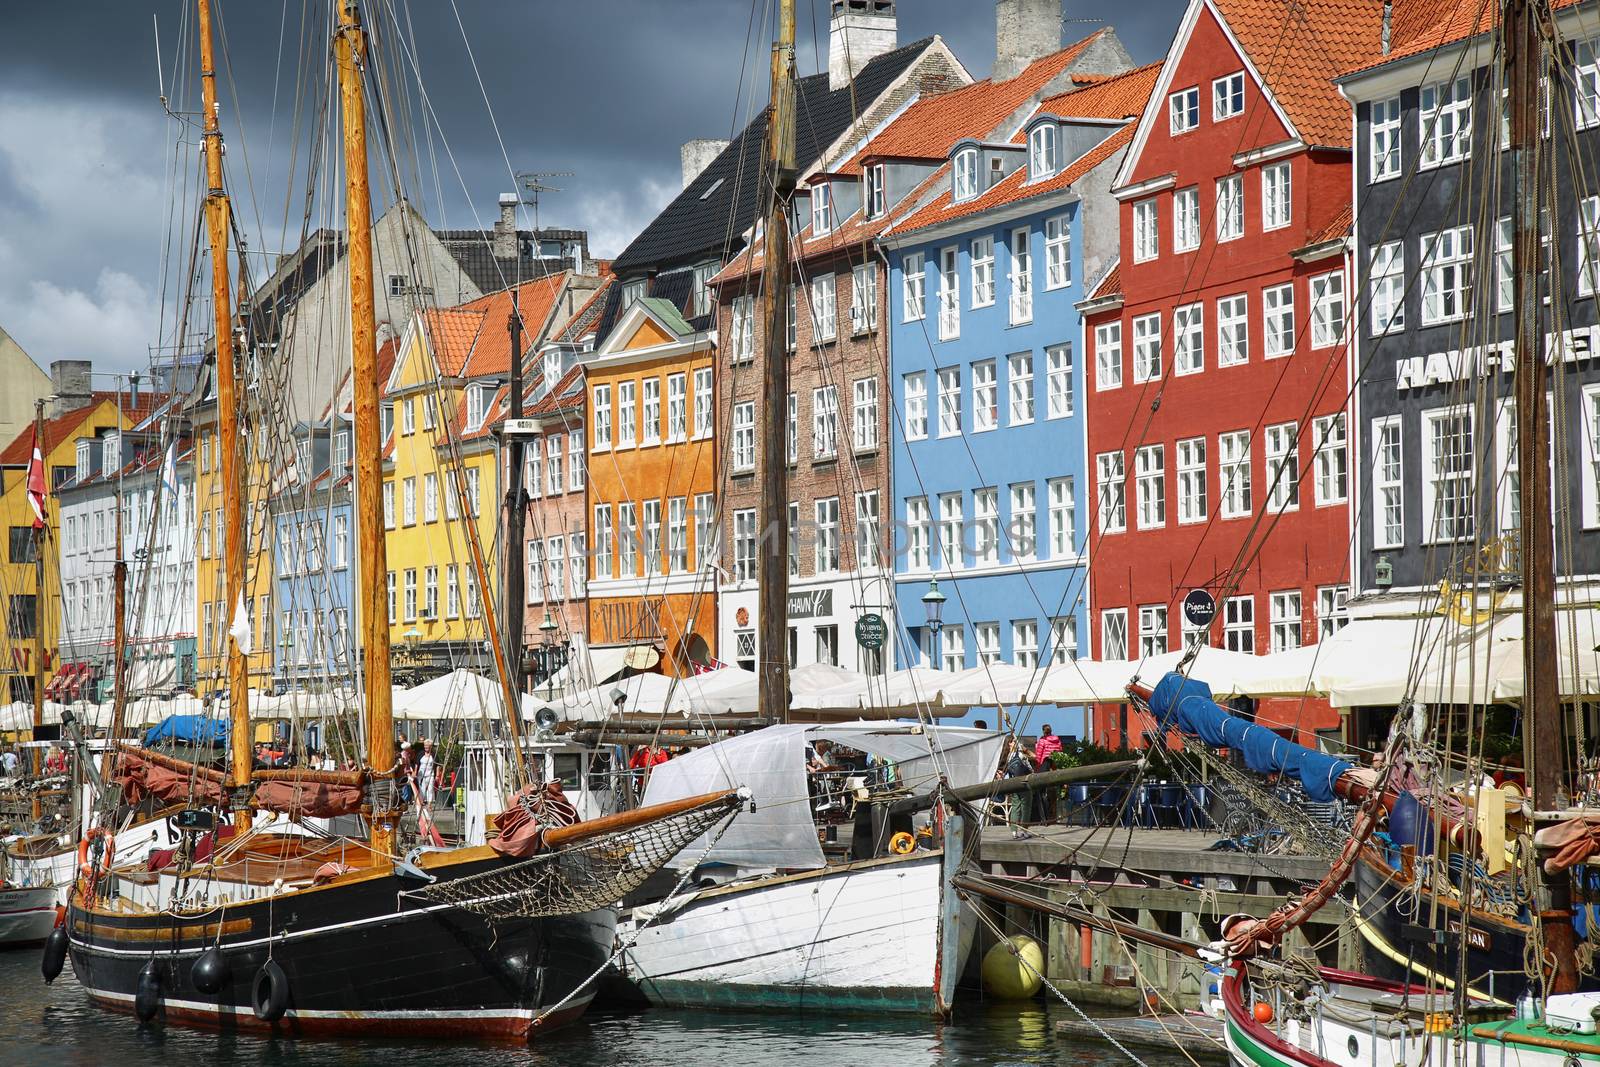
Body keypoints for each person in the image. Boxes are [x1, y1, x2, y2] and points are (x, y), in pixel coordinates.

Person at [1004, 740, 1035, 839]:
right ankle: (1024, 830)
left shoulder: (1009, 757)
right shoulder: (1021, 756)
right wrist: (1025, 749)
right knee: (1026, 807)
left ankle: (1014, 831)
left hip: (1014, 783)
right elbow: (1034, 757)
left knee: (1015, 807)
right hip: (1025, 782)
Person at [417, 740, 437, 808]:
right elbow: (417, 764)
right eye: (425, 746)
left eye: (427, 746)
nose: (426, 747)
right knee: (422, 789)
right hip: (421, 775)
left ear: (430, 747)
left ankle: (429, 804)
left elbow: (437, 765)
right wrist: (414, 772)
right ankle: (422, 802)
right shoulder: (420, 754)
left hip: (430, 774)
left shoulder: (434, 754)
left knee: (430, 789)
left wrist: (437, 775)